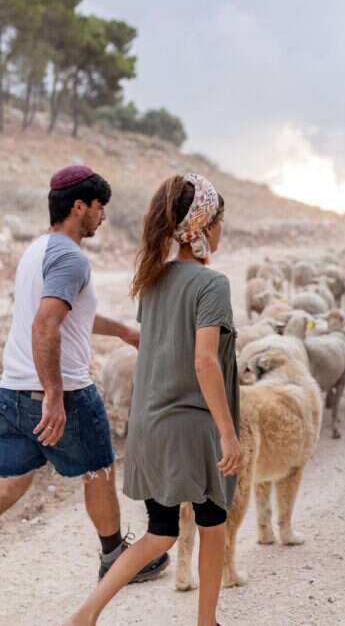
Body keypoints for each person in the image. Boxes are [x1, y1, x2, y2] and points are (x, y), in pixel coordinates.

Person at [0, 166, 169, 625]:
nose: (104, 215)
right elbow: (45, 322)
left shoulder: (36, 252)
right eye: (99, 206)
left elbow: (66, 315)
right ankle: (114, 557)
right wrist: (53, 394)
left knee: (8, 485)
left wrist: (124, 331)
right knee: (99, 469)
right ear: (78, 207)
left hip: (11, 390)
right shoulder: (71, 258)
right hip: (62, 390)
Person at [64, 174, 242, 626]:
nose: (221, 231)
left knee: (159, 533)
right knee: (213, 524)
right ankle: (207, 622)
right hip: (193, 427)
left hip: (150, 424)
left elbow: (155, 345)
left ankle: (84, 616)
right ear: (202, 226)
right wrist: (227, 432)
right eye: (218, 221)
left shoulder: (153, 279)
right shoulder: (211, 284)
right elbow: (205, 362)